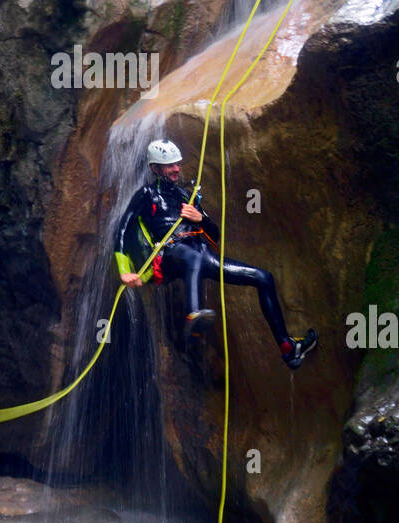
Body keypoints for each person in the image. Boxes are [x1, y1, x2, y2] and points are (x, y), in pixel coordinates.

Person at [113, 139, 318, 370]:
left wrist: (200, 218)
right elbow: (121, 228)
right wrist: (124, 271)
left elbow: (214, 234)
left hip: (200, 253)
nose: (176, 169)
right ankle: (193, 315)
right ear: (155, 169)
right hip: (170, 255)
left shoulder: (186, 196)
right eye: (169, 165)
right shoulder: (146, 194)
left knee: (264, 278)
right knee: (193, 257)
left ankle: (288, 347)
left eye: (177, 164)